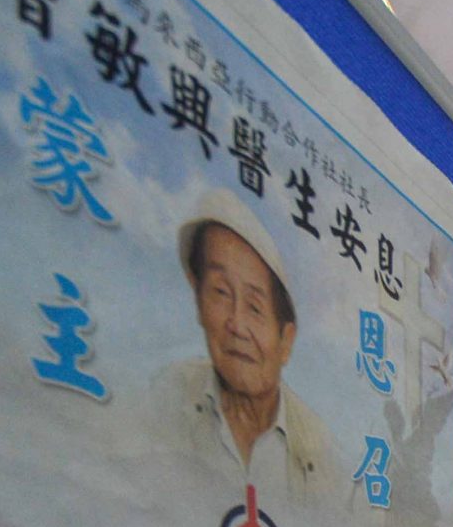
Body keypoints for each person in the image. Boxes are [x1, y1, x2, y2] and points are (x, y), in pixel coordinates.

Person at [144, 190, 346, 509]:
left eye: (254, 307)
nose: (236, 324)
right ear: (199, 304)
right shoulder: (169, 394)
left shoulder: (319, 452)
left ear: (286, 340)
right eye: (221, 292)